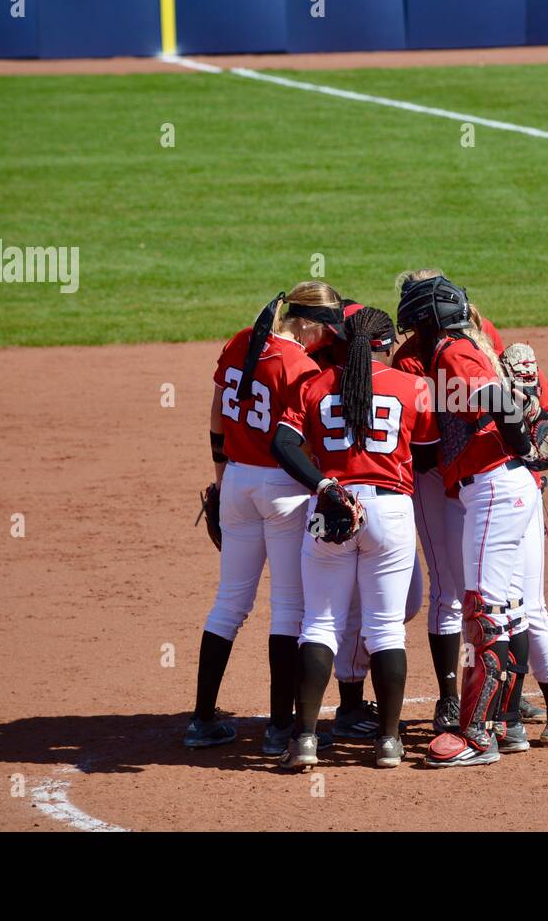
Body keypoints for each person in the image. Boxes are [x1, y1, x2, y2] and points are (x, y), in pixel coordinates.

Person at [271, 307, 440, 768]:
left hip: (331, 508)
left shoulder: (315, 385)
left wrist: (324, 484)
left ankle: (305, 740)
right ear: (385, 344)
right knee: (386, 628)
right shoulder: (412, 387)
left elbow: (282, 444)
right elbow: (427, 454)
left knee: (319, 625)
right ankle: (388, 742)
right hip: (390, 510)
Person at [183, 281, 343, 756]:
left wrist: (220, 483)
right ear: (307, 323)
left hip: (236, 480)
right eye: (326, 331)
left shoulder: (242, 341)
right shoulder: (301, 366)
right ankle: (279, 730)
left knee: (229, 603)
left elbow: (216, 418)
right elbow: (299, 442)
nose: (328, 340)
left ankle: (201, 721)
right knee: (290, 607)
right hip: (282, 490)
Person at [397, 275, 537, 767]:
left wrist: (521, 446)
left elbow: (498, 401)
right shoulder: (465, 346)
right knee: (506, 608)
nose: (411, 332)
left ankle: (477, 735)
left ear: (429, 320)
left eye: (415, 322)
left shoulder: (452, 353)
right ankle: (505, 724)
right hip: (502, 485)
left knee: (484, 610)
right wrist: (522, 449)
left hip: (492, 486)